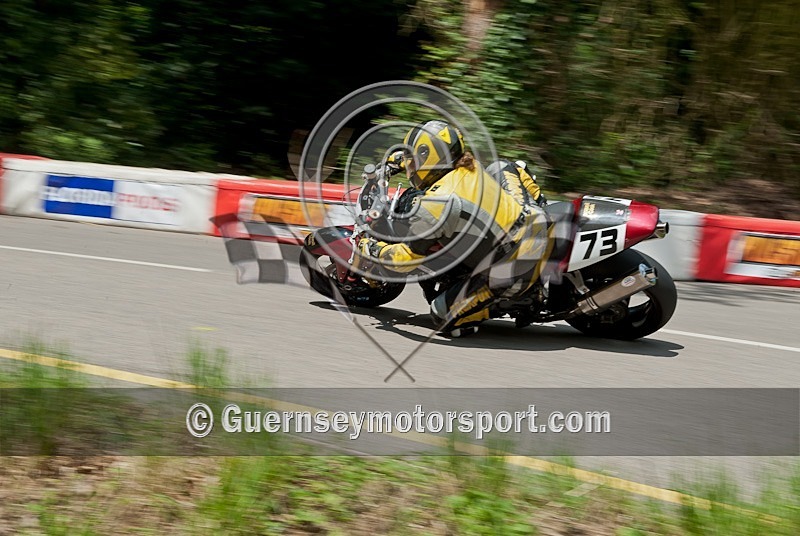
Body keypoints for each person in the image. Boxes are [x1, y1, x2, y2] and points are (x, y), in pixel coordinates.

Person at [358, 120, 551, 337]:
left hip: (518, 262)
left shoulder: (436, 205)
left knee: (442, 315)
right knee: (500, 167)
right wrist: (395, 163)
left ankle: (519, 298)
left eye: (413, 161)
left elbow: (405, 260)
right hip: (531, 217)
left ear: (428, 157)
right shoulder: (465, 164)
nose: (410, 166)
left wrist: (371, 249)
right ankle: (543, 204)